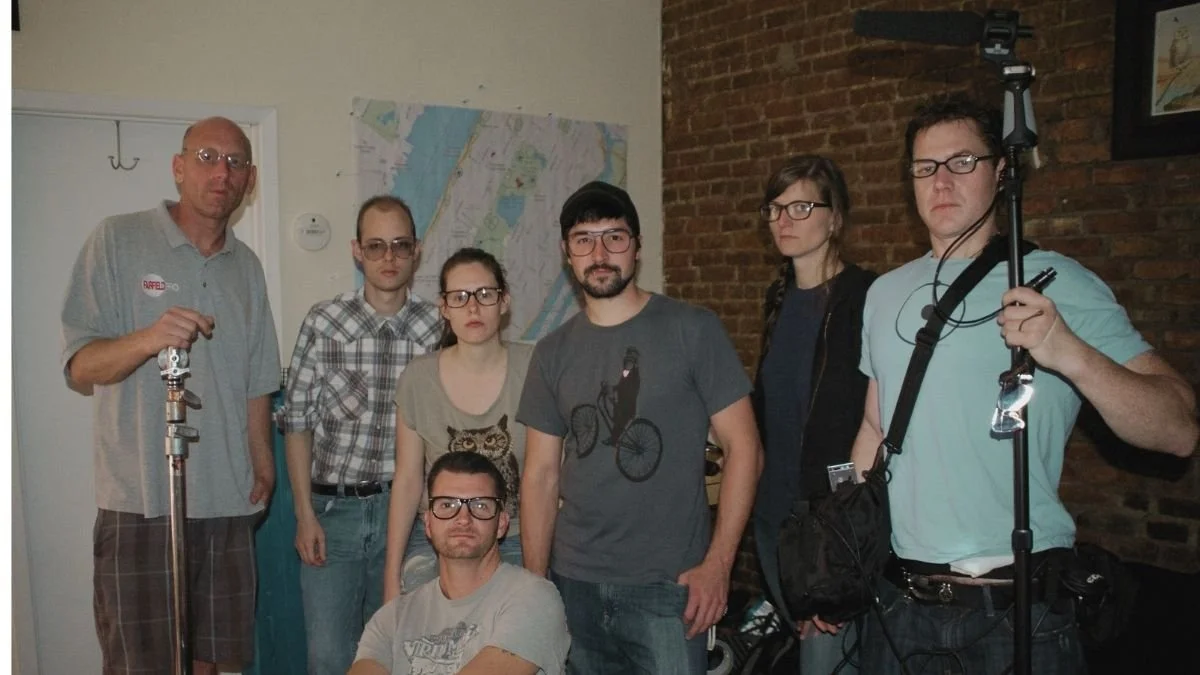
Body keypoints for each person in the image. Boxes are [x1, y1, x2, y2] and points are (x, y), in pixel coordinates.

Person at [851, 95, 1199, 674]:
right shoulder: (885, 292)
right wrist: (845, 553)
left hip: (1016, 611)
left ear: (1003, 171)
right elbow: (874, 426)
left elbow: (1179, 430)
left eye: (962, 162)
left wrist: (1069, 351)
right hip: (900, 606)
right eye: (924, 167)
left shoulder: (1059, 282)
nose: (940, 181)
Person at [61, 117, 281, 675]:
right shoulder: (118, 240)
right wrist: (148, 337)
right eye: (208, 157)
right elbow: (81, 366)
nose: (221, 173)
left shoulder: (247, 267)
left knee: (213, 663)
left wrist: (262, 459)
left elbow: (258, 378)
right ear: (179, 167)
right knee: (141, 664)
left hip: (226, 500)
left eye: (235, 162)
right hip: (142, 501)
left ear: (250, 179)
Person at [518, 181, 764, 674]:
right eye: (584, 239)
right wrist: (535, 586)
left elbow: (745, 451)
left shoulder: (692, 329)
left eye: (615, 236)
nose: (600, 252)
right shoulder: (551, 352)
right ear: (568, 254)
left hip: (669, 587)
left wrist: (719, 566)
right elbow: (541, 475)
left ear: (638, 248)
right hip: (575, 584)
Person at [280, 195, 441, 675]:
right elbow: (297, 422)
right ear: (356, 251)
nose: (389, 258)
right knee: (329, 658)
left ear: (417, 250)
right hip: (335, 518)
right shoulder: (323, 322)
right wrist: (305, 515)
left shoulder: (438, 326)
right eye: (376, 247)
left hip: (410, 518)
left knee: (404, 656)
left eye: (400, 245)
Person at [750, 156, 876, 674]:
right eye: (776, 208)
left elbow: (872, 422)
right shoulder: (777, 299)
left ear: (835, 216)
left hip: (829, 527)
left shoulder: (867, 296)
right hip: (773, 518)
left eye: (801, 206)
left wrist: (837, 540)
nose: (785, 219)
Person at [384, 247, 531, 602]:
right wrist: (390, 576)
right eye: (460, 297)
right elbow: (407, 480)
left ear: (504, 301)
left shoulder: (534, 368)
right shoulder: (418, 378)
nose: (473, 307)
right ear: (444, 308)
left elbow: (550, 473)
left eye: (485, 294)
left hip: (512, 538)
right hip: (439, 541)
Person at [350, 451, 570, 675]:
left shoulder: (534, 597)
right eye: (447, 505)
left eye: (480, 506)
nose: (463, 518)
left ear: (502, 523)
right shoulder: (393, 617)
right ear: (427, 523)